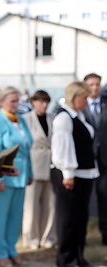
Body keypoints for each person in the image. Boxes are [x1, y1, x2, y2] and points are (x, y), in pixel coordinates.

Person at [0, 86, 33, 267]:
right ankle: (1, 253)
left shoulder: (19, 120)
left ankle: (12, 249)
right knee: (0, 218)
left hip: (21, 176)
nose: (16, 104)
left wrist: (31, 172)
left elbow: (27, 150)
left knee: (15, 217)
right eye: (12, 101)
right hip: (4, 177)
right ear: (1, 101)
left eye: (17, 100)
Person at [51, 81, 99, 267]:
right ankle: (66, 259)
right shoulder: (63, 117)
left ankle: (78, 257)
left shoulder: (77, 115)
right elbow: (62, 148)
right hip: (69, 175)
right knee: (68, 219)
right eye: (84, 97)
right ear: (74, 97)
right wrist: (68, 173)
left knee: (80, 218)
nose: (87, 101)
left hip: (84, 173)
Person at [22, 90, 56, 249]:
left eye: (46, 102)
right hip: (33, 166)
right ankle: (31, 238)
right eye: (41, 101)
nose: (44, 105)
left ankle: (47, 236)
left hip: (51, 165)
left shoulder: (52, 118)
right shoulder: (26, 120)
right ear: (33, 102)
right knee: (31, 205)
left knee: (51, 204)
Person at [82, 73, 107, 245]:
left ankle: (105, 233)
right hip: (86, 159)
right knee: (82, 198)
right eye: (91, 84)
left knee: (105, 197)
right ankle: (81, 236)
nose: (95, 87)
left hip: (105, 160)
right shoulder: (79, 107)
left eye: (97, 84)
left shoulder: (105, 105)